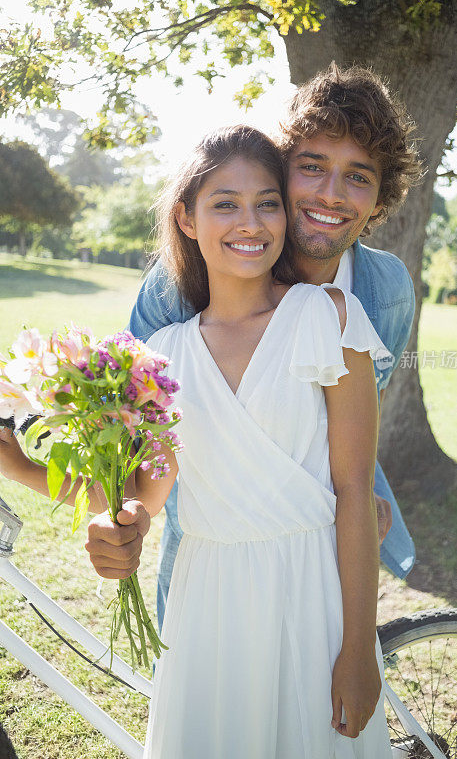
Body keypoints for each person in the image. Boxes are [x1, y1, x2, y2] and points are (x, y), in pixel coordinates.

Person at [0, 124, 394, 755]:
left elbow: (353, 489)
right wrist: (91, 513)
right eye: (226, 204)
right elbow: (143, 497)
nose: (252, 222)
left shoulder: (326, 317)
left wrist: (357, 648)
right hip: (209, 600)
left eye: (268, 202)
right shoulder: (163, 355)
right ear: (185, 218)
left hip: (312, 591)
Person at [121, 63, 422, 633]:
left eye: (358, 176)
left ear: (381, 197)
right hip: (213, 541)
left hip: (328, 541)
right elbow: (138, 431)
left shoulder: (385, 293)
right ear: (281, 171)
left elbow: (350, 422)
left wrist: (357, 501)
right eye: (311, 167)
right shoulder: (181, 284)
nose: (331, 194)